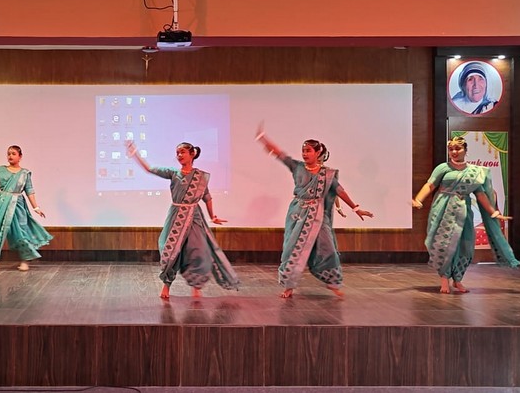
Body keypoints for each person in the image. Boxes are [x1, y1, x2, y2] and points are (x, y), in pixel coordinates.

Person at [255, 124, 373, 299]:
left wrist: (356, 208)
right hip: (298, 213)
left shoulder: (327, 174)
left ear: (318, 152)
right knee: (292, 249)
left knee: (327, 247)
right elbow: (279, 153)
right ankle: (289, 286)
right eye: (303, 150)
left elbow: (340, 191)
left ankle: (333, 283)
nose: (305, 154)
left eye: (308, 151)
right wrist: (263, 138)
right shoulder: (297, 167)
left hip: (319, 216)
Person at [125, 140, 240, 299]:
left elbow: (207, 197)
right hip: (177, 216)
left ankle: (196, 287)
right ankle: (166, 285)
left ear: (192, 154)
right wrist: (135, 154)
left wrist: (213, 216)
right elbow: (149, 169)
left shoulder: (200, 176)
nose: (179, 155)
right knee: (171, 251)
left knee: (197, 251)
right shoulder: (173, 173)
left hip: (194, 217)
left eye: (182, 152)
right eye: (177, 153)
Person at [412, 136, 519, 293]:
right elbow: (430, 185)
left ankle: (458, 280)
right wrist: (418, 200)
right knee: (444, 244)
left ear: (465, 150)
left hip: (463, 212)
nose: (454, 152)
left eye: (458, 148)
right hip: (443, 210)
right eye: (451, 149)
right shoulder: (443, 168)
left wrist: (494, 212)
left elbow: (480, 195)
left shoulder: (474, 172)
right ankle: (444, 279)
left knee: (465, 245)